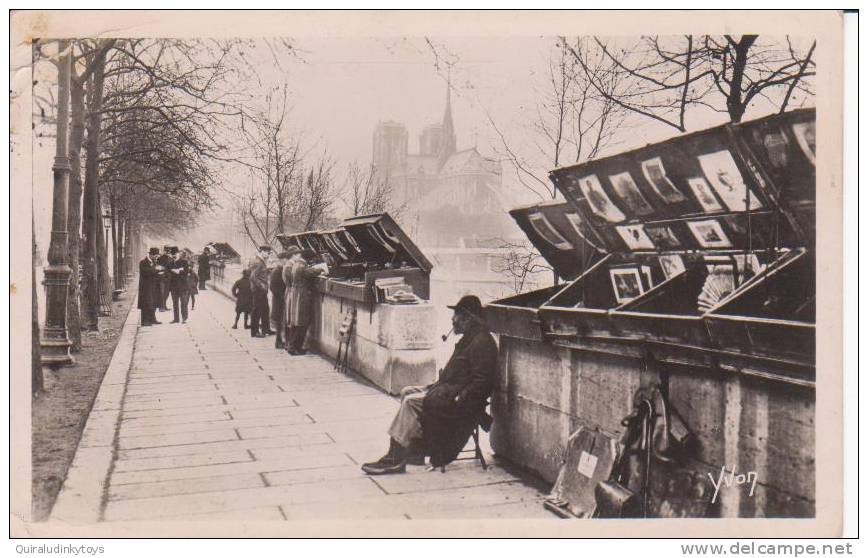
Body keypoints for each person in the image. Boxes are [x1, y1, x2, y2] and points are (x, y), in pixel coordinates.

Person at [361, 295, 497, 474]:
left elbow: (483, 383)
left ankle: (395, 458)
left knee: (411, 402)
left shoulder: (482, 343)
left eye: (456, 315)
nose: (452, 319)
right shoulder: (472, 339)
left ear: (467, 318)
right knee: (407, 391)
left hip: (457, 402)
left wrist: (459, 397)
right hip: (447, 391)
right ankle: (413, 450)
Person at [286, 249, 327, 355]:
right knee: (302, 323)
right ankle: (295, 348)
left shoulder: (296, 264)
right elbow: (309, 272)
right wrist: (322, 268)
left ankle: (292, 346)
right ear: (308, 258)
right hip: (302, 296)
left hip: (296, 294)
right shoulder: (302, 266)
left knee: (296, 323)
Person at [249, 245, 274, 338]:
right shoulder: (258, 262)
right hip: (258, 290)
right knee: (257, 310)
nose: (268, 255)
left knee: (265, 310)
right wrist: (262, 285)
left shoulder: (261, 261)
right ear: (262, 251)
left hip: (261, 291)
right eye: (267, 253)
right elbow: (253, 277)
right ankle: (255, 332)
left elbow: (259, 274)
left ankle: (266, 329)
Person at [281, 246, 301, 354]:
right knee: (290, 319)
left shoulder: (288, 264)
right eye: (298, 255)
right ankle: (289, 344)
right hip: (290, 292)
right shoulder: (289, 266)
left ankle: (288, 343)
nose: (300, 257)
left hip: (289, 292)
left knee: (289, 319)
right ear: (294, 255)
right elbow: (291, 280)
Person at [270, 251, 291, 349]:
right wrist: (282, 296)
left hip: (279, 299)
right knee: (280, 322)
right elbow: (273, 287)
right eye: (286, 260)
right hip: (279, 300)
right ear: (283, 260)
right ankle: (279, 342)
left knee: (280, 322)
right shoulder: (277, 271)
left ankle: (279, 342)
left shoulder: (278, 269)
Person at [138, 247, 164, 326]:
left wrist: (159, 272)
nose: (157, 257)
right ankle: (145, 321)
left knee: (154, 302)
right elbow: (145, 272)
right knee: (146, 303)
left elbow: (155, 272)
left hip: (154, 286)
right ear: (151, 255)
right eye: (156, 256)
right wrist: (157, 270)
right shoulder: (143, 262)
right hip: (146, 287)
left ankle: (153, 319)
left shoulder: (154, 262)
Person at [168, 247, 191, 323]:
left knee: (183, 302)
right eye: (172, 254)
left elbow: (186, 272)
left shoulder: (184, 262)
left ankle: (184, 318)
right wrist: (179, 270)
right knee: (175, 303)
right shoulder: (170, 263)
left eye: (175, 253)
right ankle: (176, 319)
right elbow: (167, 273)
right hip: (173, 286)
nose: (173, 255)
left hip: (183, 286)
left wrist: (178, 271)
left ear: (178, 253)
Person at [156, 246, 173, 312]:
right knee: (162, 293)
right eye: (167, 251)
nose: (168, 252)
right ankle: (161, 307)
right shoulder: (160, 258)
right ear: (164, 250)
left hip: (168, 278)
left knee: (167, 293)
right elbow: (158, 267)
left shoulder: (170, 258)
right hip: (162, 278)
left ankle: (164, 306)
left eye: (169, 251)